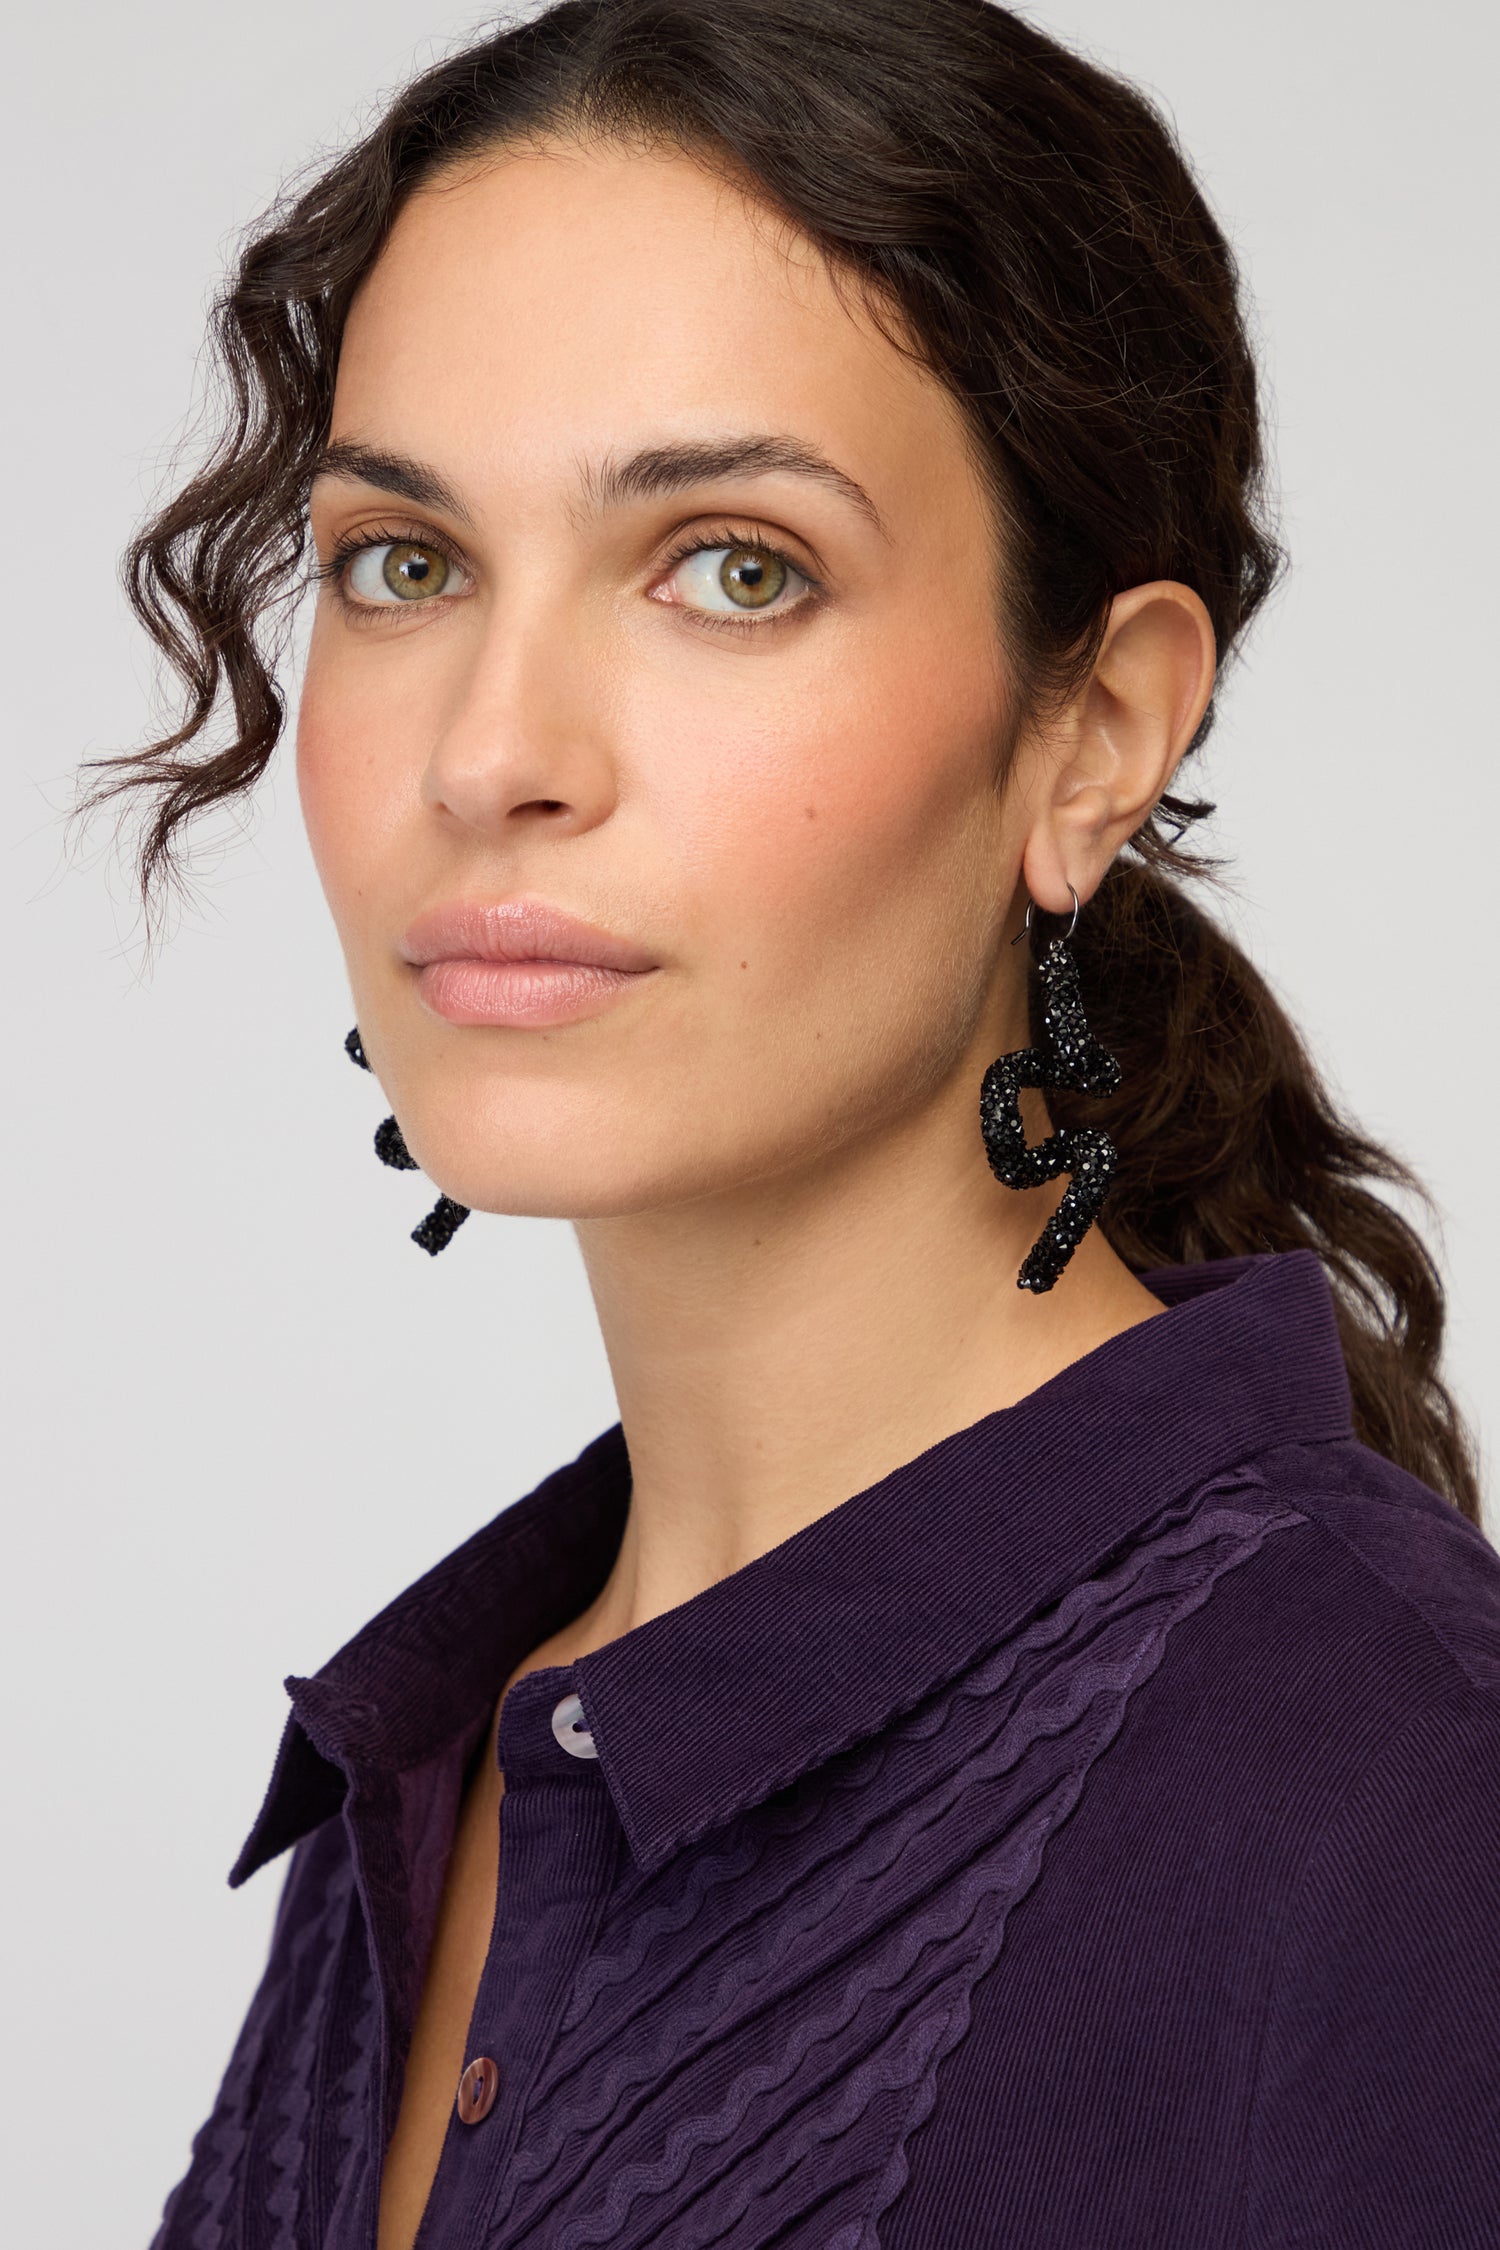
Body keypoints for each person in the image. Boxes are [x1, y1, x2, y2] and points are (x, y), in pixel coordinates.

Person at [93, 2, 1500, 2244]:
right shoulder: (432, 1762)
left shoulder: (1403, 1808)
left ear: (1093, 735)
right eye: (403, 562)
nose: (494, 751)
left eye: (731, 566)